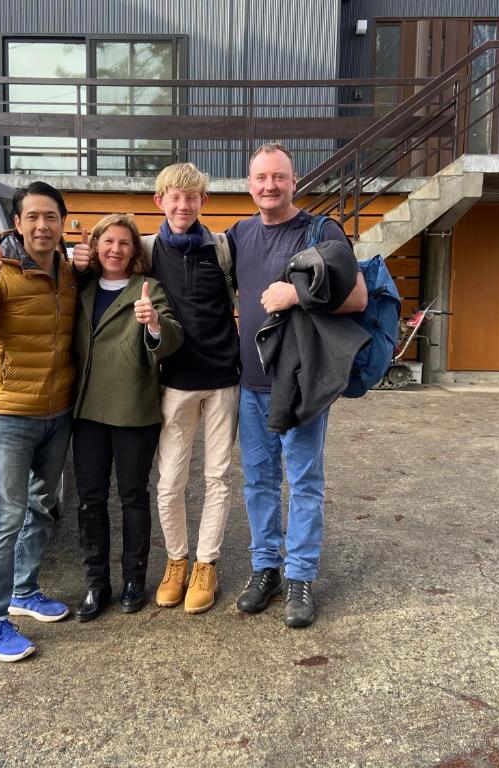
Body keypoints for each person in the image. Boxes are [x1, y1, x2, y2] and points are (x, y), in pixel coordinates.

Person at [227, 143, 367, 628]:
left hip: (302, 382)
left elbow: (357, 297)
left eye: (279, 177)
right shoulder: (239, 235)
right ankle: (265, 568)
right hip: (250, 382)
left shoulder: (321, 231)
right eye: (261, 178)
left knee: (304, 483)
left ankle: (300, 576)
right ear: (249, 185)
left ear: (294, 181)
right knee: (258, 481)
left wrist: (297, 294)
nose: (270, 186)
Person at [0, 181, 77, 662]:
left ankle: (25, 591)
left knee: (43, 506)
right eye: (33, 217)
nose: (43, 226)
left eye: (51, 216)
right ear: (17, 224)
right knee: (5, 516)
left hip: (58, 410)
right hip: (11, 414)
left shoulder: (68, 271)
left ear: (62, 223)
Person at [69, 213, 183, 621]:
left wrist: (154, 325)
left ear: (134, 250)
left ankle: (134, 580)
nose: (115, 249)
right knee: (90, 499)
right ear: (96, 247)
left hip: (134, 409)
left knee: (133, 496)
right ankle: (96, 583)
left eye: (124, 243)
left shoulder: (147, 288)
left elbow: (172, 338)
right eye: (108, 241)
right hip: (87, 411)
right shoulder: (80, 287)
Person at [146, 163, 240, 614]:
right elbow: (103, 259)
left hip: (223, 379)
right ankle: (177, 560)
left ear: (204, 201)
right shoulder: (145, 250)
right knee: (170, 481)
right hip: (175, 380)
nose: (183, 205)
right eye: (174, 197)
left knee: (217, 477)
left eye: (191, 197)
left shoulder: (222, 248)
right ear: (159, 201)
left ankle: (206, 564)